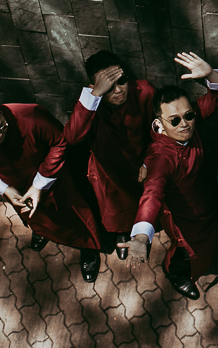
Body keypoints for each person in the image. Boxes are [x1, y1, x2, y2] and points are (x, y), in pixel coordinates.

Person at [0, 91, 105, 282]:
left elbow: (60, 142)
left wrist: (40, 183)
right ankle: (43, 232)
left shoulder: (31, 115)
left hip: (53, 179)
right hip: (15, 187)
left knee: (74, 215)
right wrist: (4, 188)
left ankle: (88, 247)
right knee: (34, 217)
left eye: (2, 128)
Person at [120, 55, 218, 300]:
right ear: (160, 123)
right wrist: (140, 237)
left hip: (203, 196)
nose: (185, 125)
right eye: (175, 120)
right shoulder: (161, 157)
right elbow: (152, 193)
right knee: (185, 251)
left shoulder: (189, 119)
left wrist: (210, 74)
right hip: (182, 216)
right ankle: (176, 274)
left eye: (189, 116)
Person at [63, 51, 165, 258]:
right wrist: (94, 96)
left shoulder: (144, 92)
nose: (119, 91)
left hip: (140, 162)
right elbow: (72, 137)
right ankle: (121, 233)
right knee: (115, 206)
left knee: (145, 199)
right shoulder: (90, 105)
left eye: (122, 81)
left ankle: (142, 231)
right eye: (109, 88)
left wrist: (149, 160)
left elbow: (160, 129)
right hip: (107, 169)